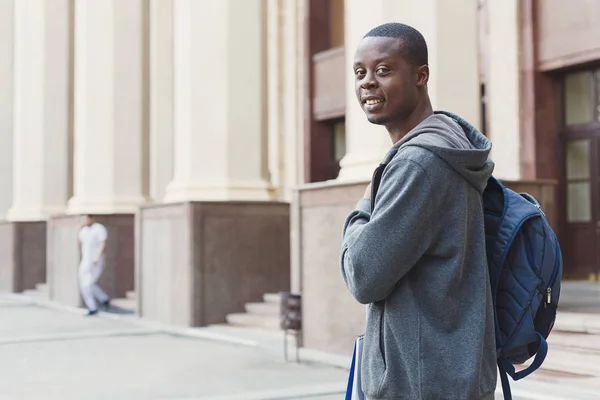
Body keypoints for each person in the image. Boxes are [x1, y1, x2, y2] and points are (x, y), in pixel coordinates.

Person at [340, 23, 497, 399]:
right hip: (449, 372)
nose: (367, 83)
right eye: (360, 72)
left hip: (421, 383)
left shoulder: (419, 164)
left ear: (421, 76)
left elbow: (362, 275)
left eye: (383, 70)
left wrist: (364, 206)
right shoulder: (446, 148)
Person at [77, 214, 110, 316]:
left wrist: (97, 256)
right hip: (85, 261)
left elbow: (102, 243)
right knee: (85, 284)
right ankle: (104, 299)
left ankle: (93, 307)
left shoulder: (99, 228)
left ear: (91, 218)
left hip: (95, 261)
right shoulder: (83, 231)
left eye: (86, 218)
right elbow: (78, 245)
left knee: (87, 285)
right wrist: (78, 229)